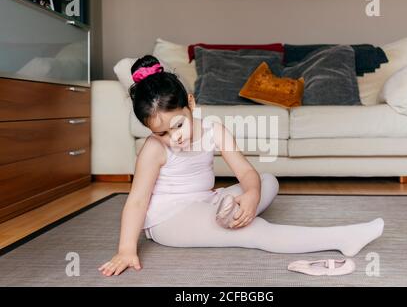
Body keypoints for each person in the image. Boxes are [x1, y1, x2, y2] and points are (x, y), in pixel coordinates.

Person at [99, 55, 384, 277]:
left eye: (178, 125)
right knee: (256, 230)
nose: (175, 139)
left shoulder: (213, 129)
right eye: (162, 133)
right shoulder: (154, 149)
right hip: (171, 220)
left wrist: (250, 195)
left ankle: (229, 213)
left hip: (205, 201)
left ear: (191, 103)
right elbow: (137, 202)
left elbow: (246, 172)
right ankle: (342, 237)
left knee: (266, 180)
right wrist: (126, 249)